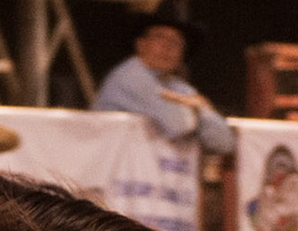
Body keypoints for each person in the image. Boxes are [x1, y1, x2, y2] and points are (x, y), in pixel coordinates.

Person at [94, 14, 234, 155]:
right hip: (112, 167)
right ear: (140, 44)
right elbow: (179, 125)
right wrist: (198, 108)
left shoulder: (179, 87)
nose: (168, 46)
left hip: (150, 172)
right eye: (159, 37)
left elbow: (224, 143)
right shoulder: (130, 75)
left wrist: (199, 108)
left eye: (177, 42)